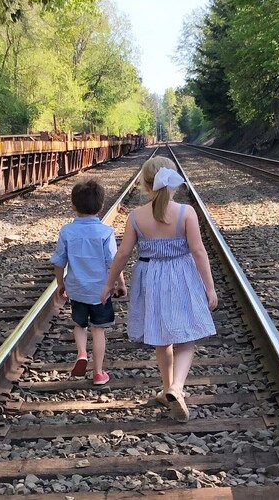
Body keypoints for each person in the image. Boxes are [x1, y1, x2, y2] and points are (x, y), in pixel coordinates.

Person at [100, 158, 218, 422]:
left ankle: (167, 389)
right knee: (186, 338)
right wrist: (209, 288)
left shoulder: (136, 216)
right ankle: (177, 387)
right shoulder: (186, 213)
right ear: (172, 182)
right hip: (182, 276)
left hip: (150, 277)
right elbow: (198, 252)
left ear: (145, 184)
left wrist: (110, 283)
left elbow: (122, 254)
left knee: (162, 337)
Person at [52, 179, 126, 386]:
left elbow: (59, 261)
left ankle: (82, 353)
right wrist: (120, 283)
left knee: (79, 325)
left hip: (77, 290)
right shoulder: (105, 232)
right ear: (101, 207)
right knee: (98, 329)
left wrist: (61, 284)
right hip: (100, 291)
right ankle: (99, 373)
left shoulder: (67, 231)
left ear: (73, 206)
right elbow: (113, 262)